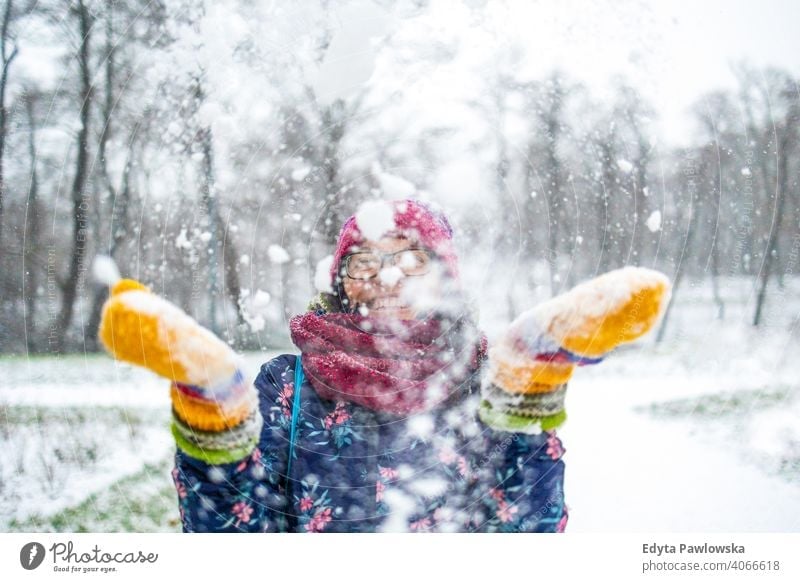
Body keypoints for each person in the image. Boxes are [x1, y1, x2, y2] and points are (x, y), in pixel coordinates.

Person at [99, 198, 671, 533]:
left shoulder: (483, 381)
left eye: (411, 260)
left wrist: (527, 389)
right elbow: (236, 539)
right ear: (340, 280)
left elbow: (526, 534)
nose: (385, 276)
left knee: (516, 397)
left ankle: (538, 376)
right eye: (363, 261)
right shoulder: (285, 385)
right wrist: (211, 412)